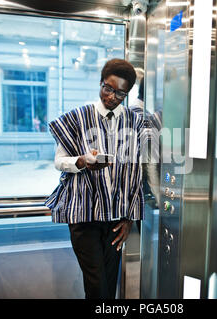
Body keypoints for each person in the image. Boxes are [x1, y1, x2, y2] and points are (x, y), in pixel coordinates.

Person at [45, 58, 144, 299]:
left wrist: (130, 218)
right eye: (107, 88)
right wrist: (81, 161)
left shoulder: (135, 122)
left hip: (115, 218)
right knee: (97, 286)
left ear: (127, 94)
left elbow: (136, 172)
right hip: (84, 216)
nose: (111, 97)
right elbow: (59, 161)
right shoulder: (77, 118)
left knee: (109, 286)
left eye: (120, 93)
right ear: (101, 83)